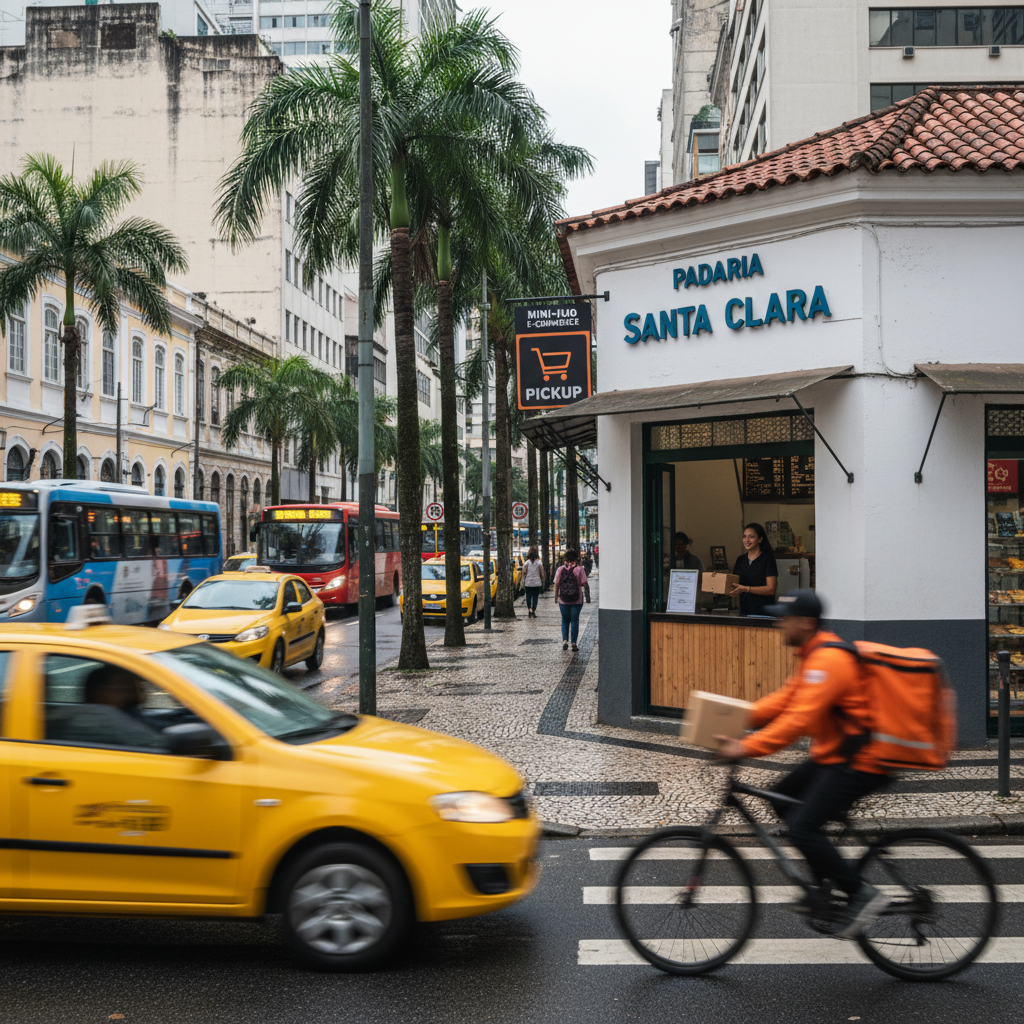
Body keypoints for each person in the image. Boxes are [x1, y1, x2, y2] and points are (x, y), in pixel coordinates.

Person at [716, 590, 891, 938]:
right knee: (781, 798)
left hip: (863, 761)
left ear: (807, 623)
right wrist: (733, 718)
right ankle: (822, 887)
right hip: (835, 755)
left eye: (786, 618)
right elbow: (783, 701)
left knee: (802, 828)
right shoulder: (813, 656)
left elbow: (798, 720)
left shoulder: (829, 662)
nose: (779, 623)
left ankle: (860, 894)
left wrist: (744, 747)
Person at [730, 522, 778, 616]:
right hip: (745, 613)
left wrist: (747, 589)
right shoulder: (740, 560)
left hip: (764, 614)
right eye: (744, 536)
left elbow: (771, 589)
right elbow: (734, 584)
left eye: (751, 537)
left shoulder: (768, 559)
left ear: (760, 539)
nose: (746, 540)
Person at [553, 548, 587, 652]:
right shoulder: (580, 569)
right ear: (576, 559)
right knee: (575, 620)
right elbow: (584, 583)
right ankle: (574, 643)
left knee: (565, 620)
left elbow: (557, 584)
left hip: (563, 599)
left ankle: (565, 641)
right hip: (577, 599)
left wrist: (556, 597)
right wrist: (587, 596)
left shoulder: (560, 569)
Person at [522, 546, 545, 617]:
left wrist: (522, 582)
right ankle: (533, 610)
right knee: (535, 597)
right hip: (537, 583)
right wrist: (543, 582)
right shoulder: (539, 563)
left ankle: (530, 609)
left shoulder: (526, 563)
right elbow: (542, 574)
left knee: (528, 597)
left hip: (528, 583)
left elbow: (524, 573)